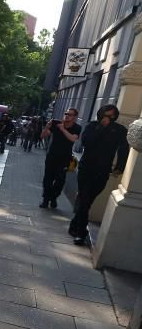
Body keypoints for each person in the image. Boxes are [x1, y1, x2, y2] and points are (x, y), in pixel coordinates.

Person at [68, 104, 130, 245]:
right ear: (100, 114)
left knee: (87, 200)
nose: (107, 118)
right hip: (86, 169)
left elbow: (124, 149)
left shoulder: (119, 130)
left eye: (111, 116)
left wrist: (120, 167)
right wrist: (101, 128)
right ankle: (80, 233)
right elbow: (86, 142)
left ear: (115, 116)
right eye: (105, 115)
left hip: (102, 171)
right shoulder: (92, 126)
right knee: (84, 199)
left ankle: (74, 225)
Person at [39, 109, 81, 209]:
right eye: (66, 114)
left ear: (74, 117)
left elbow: (73, 139)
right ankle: (45, 200)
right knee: (48, 179)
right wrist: (46, 127)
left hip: (65, 158)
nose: (67, 116)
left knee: (60, 180)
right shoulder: (55, 123)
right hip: (51, 156)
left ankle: (53, 198)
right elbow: (43, 136)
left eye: (70, 115)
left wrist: (62, 129)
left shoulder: (77, 127)